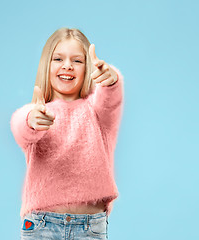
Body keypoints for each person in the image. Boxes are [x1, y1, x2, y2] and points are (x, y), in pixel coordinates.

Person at [10, 27, 124, 239]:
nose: (68, 66)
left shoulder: (98, 113)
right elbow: (20, 126)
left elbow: (110, 99)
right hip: (42, 225)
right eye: (58, 59)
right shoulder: (38, 112)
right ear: (47, 65)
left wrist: (110, 80)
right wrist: (31, 120)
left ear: (88, 68)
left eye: (77, 61)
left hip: (90, 227)